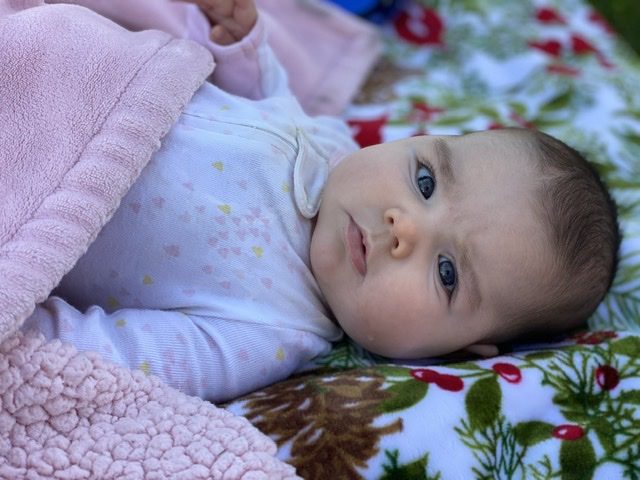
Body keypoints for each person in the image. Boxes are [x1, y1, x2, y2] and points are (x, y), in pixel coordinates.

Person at [23, 0, 620, 402]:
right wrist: (241, 45)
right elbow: (268, 95)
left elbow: (108, 355)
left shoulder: (269, 333)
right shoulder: (332, 146)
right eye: (425, 182)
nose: (404, 227)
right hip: (55, 66)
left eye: (446, 272)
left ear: (458, 352)